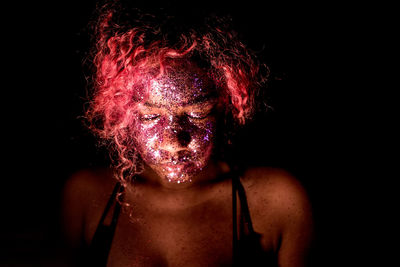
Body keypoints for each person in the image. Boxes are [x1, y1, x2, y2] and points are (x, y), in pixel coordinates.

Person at [61, 1, 314, 266]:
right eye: (150, 116)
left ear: (226, 104)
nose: (173, 141)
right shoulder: (86, 197)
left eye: (197, 113)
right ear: (122, 112)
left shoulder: (277, 202)